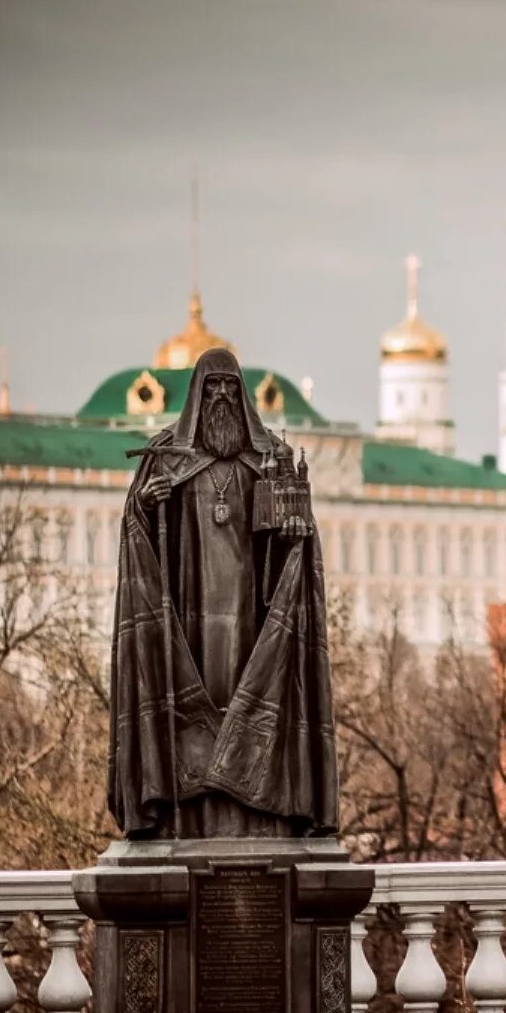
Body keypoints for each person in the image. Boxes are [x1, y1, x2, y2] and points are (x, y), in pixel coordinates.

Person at [108, 346, 334, 838]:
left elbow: (299, 531)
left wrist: (292, 533)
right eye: (212, 388)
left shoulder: (269, 456)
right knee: (195, 689)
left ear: (244, 396)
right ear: (196, 395)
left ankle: (260, 802)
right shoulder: (166, 455)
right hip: (186, 611)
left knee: (248, 684)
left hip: (255, 611)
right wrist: (147, 505)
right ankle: (186, 805)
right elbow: (136, 528)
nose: (222, 396)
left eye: (231, 387)